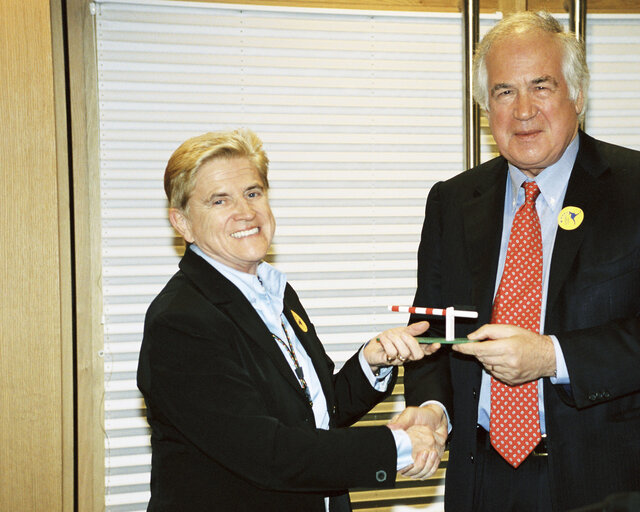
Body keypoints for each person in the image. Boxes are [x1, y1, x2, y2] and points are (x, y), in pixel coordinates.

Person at [391, 11, 640, 512]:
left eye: (541, 86)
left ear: (577, 96)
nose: (523, 111)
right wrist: (433, 411)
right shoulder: (452, 202)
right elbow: (432, 330)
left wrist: (551, 357)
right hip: (483, 484)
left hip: (608, 481)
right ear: (485, 106)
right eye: (503, 92)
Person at [136, 128, 445, 512]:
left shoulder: (273, 290)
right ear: (182, 223)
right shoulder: (181, 321)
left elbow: (310, 415)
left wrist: (371, 360)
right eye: (220, 200)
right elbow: (267, 452)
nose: (246, 212)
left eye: (253, 193)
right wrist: (398, 445)